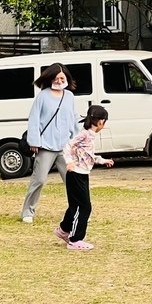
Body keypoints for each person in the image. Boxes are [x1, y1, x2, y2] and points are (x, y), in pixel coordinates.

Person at [20, 63, 79, 223]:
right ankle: (28, 211)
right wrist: (34, 141)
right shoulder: (43, 96)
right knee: (39, 179)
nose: (60, 80)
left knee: (72, 181)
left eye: (62, 78)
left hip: (65, 146)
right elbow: (34, 119)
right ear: (50, 78)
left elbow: (74, 119)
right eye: (56, 77)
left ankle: (77, 211)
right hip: (46, 146)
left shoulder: (70, 96)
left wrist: (77, 141)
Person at [54, 105, 114, 251]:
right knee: (85, 207)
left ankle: (63, 230)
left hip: (81, 174)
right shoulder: (85, 134)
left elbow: (87, 155)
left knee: (75, 205)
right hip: (76, 174)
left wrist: (102, 160)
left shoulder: (89, 135)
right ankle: (75, 240)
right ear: (100, 122)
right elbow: (67, 146)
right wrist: (69, 162)